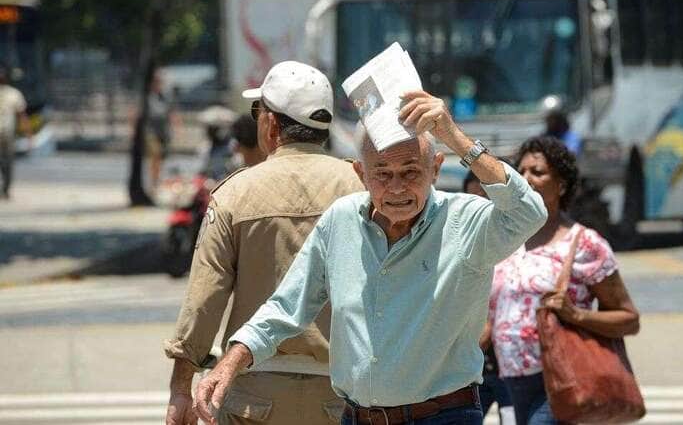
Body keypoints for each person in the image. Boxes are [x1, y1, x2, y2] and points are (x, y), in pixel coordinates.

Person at [194, 89, 549, 425]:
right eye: (382, 174)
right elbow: (287, 307)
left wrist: (454, 136)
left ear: (436, 169)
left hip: (443, 416)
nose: (397, 187)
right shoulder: (341, 219)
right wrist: (230, 362)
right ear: (361, 174)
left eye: (410, 171)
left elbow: (529, 213)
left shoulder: (465, 220)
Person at [163, 61, 365, 425]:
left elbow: (204, 298)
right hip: (344, 392)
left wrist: (180, 388)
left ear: (271, 124)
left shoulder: (234, 194)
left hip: (253, 394)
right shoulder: (363, 187)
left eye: (258, 110)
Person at [488, 135, 640, 425]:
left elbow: (628, 318)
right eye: (521, 171)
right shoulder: (506, 237)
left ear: (562, 185)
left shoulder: (584, 244)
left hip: (559, 378)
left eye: (538, 172)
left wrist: (576, 314)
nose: (526, 178)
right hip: (510, 378)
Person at [463, 171, 516, 425]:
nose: (481, 203)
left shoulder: (519, 241)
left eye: (487, 195)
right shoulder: (460, 242)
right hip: (472, 370)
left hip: (514, 368)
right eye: (474, 195)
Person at [146, 70, 181, 191]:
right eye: (155, 82)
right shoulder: (147, 97)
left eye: (159, 82)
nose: (158, 84)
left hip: (163, 132)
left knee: (160, 158)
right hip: (151, 131)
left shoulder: (165, 97)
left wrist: (176, 128)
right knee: (155, 155)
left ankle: (156, 179)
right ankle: (154, 182)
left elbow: (172, 113)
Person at [0, 64, 31, 199]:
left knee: (8, 162)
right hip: (7, 133)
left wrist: (28, 134)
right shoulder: (14, 93)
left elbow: (22, 115)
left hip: (7, 133)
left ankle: (6, 189)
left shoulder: (14, 94)